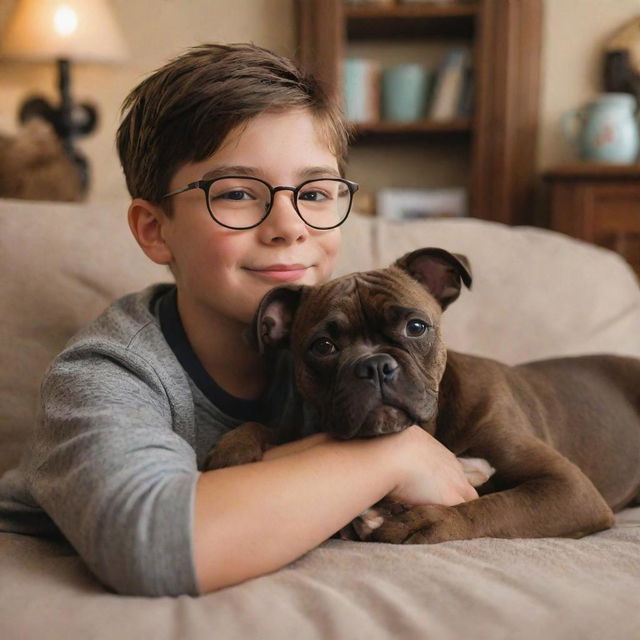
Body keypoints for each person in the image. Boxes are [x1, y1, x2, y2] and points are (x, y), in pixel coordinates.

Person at [0, 43, 478, 597]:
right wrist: (389, 455)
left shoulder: (352, 354)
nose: (289, 226)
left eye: (316, 192)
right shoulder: (107, 372)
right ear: (155, 230)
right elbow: (149, 544)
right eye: (236, 193)